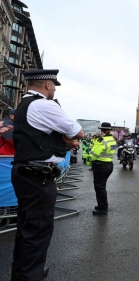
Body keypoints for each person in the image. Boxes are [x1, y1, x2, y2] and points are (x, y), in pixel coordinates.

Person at [11, 69, 84, 280]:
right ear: (48, 85)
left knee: (27, 228)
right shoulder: (44, 104)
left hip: (25, 173)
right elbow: (77, 132)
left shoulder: (24, 105)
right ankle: (29, 275)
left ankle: (24, 272)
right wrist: (64, 139)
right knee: (38, 231)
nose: (53, 90)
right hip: (37, 177)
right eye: (54, 86)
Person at [88, 122, 117, 215]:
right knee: (102, 186)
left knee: (100, 187)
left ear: (102, 130)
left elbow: (94, 154)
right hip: (109, 164)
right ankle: (101, 205)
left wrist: (89, 160)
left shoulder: (101, 140)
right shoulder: (112, 139)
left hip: (100, 165)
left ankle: (103, 208)